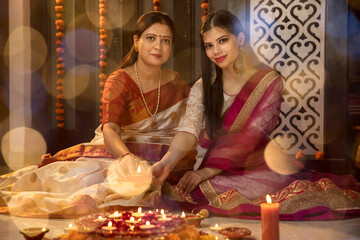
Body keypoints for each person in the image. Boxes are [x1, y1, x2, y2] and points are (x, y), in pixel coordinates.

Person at [152, 9, 360, 220]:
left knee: (213, 190)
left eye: (223, 41)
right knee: (183, 192)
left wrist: (205, 173)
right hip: (209, 162)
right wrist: (166, 164)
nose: (216, 51)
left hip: (252, 164)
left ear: (240, 39)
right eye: (209, 45)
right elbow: (189, 130)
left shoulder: (267, 82)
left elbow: (251, 137)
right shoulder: (203, 86)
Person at [0, 11, 195, 218]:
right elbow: (110, 128)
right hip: (118, 153)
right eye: (151, 38)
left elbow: (187, 130)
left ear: (171, 46)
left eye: (166, 41)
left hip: (162, 159)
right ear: (136, 42)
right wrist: (126, 158)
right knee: (83, 185)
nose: (158, 47)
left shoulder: (178, 85)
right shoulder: (119, 80)